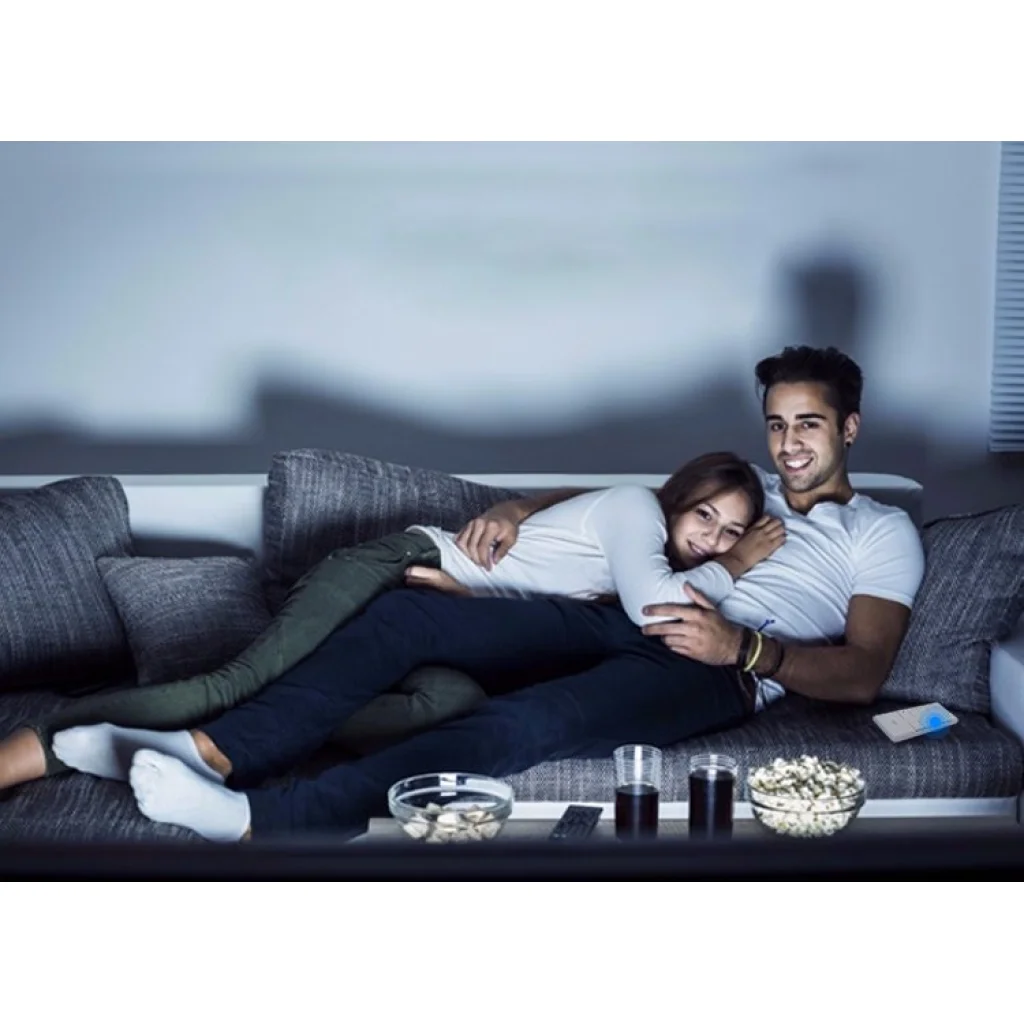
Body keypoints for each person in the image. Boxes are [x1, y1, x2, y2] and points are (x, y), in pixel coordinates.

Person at [27, 345, 930, 844]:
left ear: (849, 427)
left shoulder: (880, 531)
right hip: (615, 614)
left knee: (527, 724)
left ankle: (266, 818)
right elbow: (630, 512)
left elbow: (862, 673)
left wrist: (746, 649)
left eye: (809, 424)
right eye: (777, 424)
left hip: (712, 668)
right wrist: (515, 508)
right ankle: (220, 753)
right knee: (408, 613)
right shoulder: (742, 492)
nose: (790, 443)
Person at [0, 451, 773, 792]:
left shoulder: (638, 549)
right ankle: (31, 755)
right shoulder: (639, 515)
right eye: (705, 517)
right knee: (235, 686)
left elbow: (556, 598)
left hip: (438, 608)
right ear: (676, 501)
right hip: (391, 568)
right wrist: (737, 565)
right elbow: (658, 611)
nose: (713, 539)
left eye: (732, 532)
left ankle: (213, 741)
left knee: (451, 704)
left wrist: (478, 591)